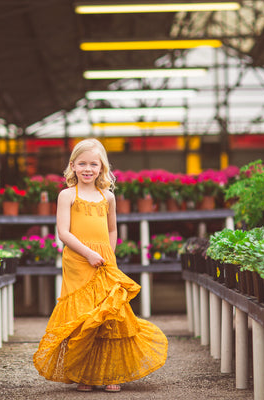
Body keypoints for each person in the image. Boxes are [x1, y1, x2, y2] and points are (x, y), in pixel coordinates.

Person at [33, 138, 168, 393]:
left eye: (93, 164)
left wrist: (108, 254)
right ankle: (85, 375)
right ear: (72, 166)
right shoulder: (66, 195)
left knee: (108, 317)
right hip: (77, 260)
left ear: (102, 168)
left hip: (104, 262)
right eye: (82, 163)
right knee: (84, 318)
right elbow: (63, 232)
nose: (87, 169)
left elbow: (112, 228)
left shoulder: (108, 196)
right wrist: (88, 254)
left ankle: (110, 372)